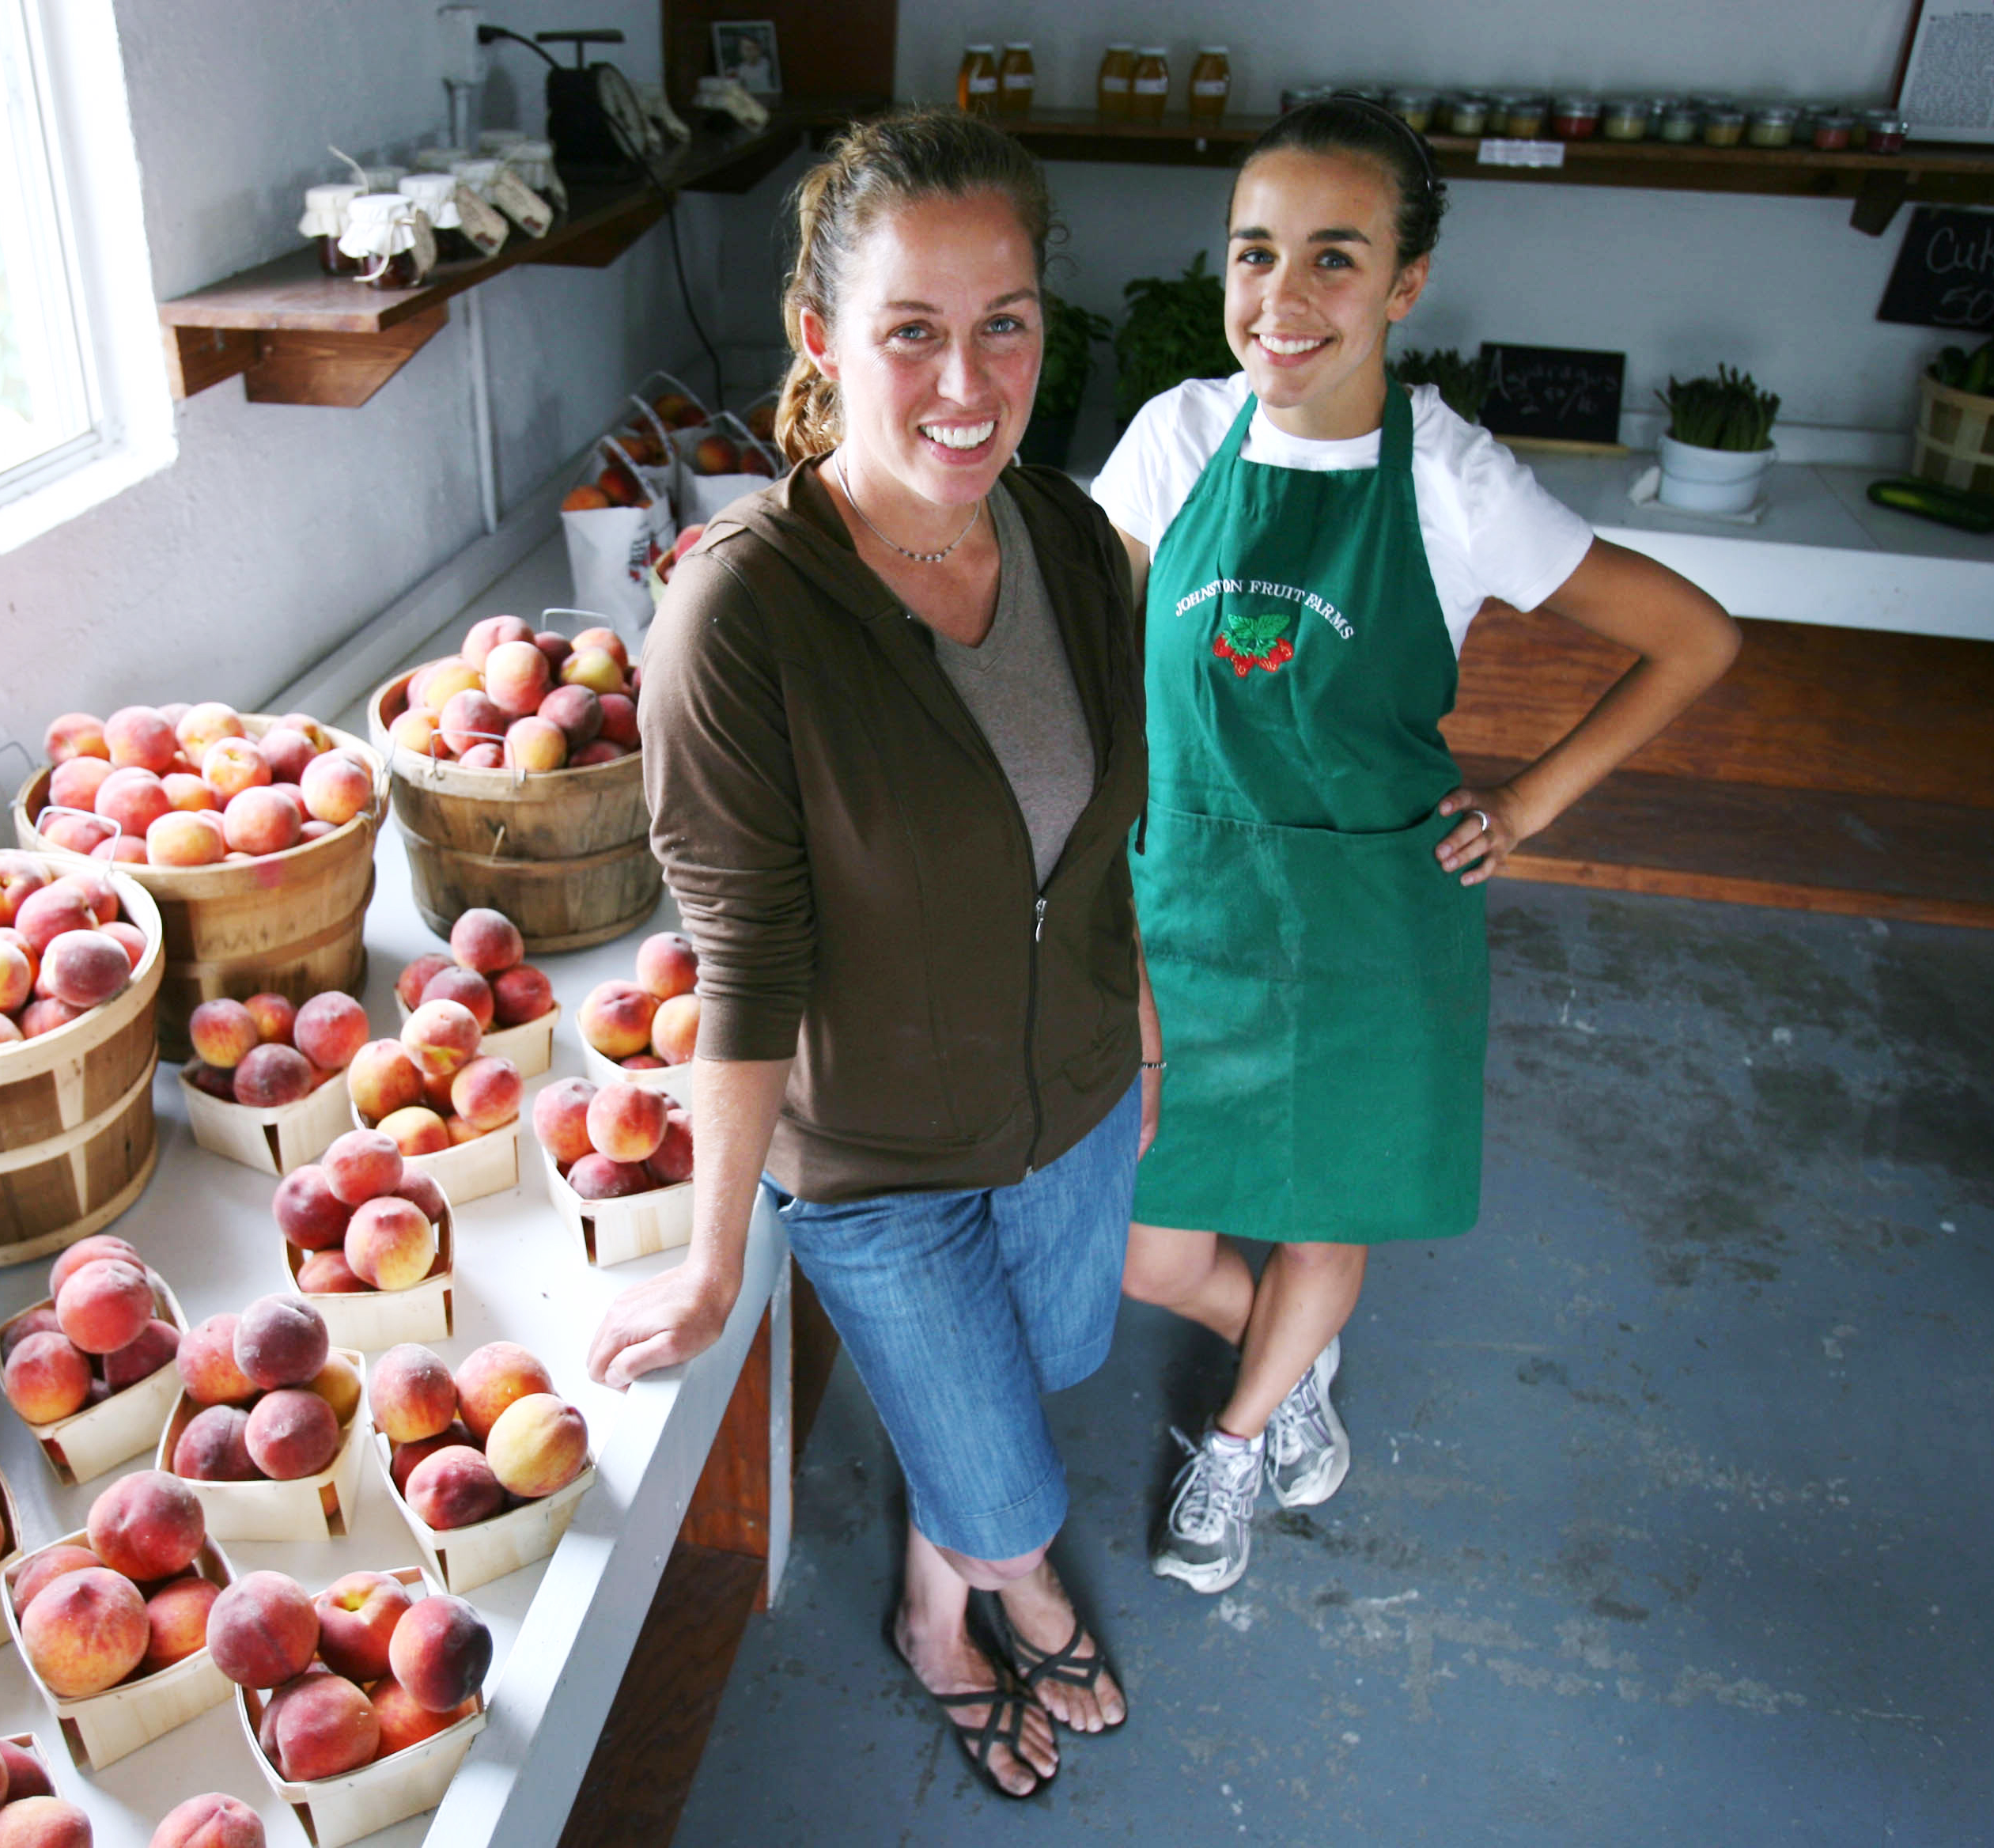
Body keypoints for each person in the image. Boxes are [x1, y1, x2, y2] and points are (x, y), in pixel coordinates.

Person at [1092, 96, 1742, 1595]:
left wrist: (1526, 804)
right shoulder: (1175, 438)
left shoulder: (1451, 477)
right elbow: (1097, 677)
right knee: (1146, 1247)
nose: (1287, 297)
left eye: (1338, 256)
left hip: (1372, 923)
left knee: (1333, 1202)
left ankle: (1247, 1440)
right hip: (1184, 902)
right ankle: (1294, 1359)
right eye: (1258, 252)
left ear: (1407, 282)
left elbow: (1692, 641)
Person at [584, 108, 1151, 1798]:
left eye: (1006, 324)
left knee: (1050, 1367)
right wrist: (708, 1260)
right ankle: (991, 1593)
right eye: (913, 330)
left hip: (1075, 1105)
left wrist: (1154, 1034)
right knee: (1011, 1491)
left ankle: (934, 1579)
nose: (964, 381)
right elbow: (745, 961)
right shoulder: (738, 614)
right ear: (826, 342)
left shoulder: (1061, 538)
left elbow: (1120, 830)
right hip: (879, 1162)